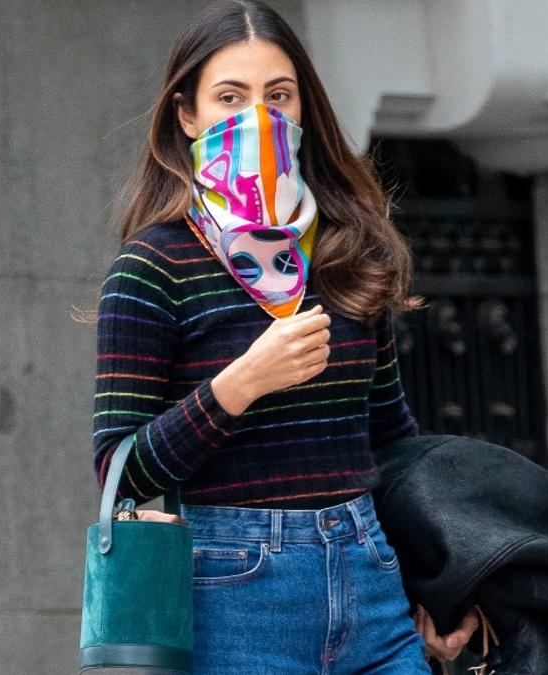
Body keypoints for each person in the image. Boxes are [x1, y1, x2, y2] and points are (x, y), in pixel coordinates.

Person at [84, 1, 479, 671]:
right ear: (188, 115)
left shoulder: (348, 249)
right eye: (230, 97)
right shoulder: (155, 265)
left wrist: (434, 581)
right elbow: (120, 470)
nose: (257, 117)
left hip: (370, 577)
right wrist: (239, 385)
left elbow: (390, 437)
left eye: (278, 95)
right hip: (231, 591)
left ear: (302, 110)